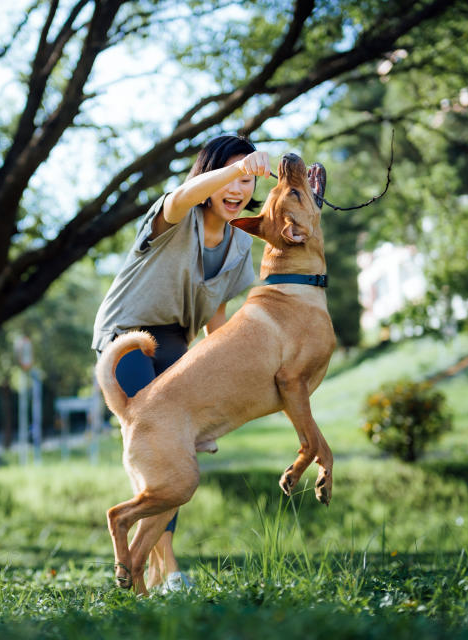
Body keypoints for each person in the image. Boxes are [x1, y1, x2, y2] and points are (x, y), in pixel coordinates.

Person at [92, 134, 327, 591]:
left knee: (174, 464)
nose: (238, 190)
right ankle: (165, 570)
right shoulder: (175, 214)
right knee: (158, 443)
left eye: (246, 180)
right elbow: (184, 194)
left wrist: (237, 375)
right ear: (211, 176)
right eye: (231, 176)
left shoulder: (240, 242)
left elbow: (216, 318)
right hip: (127, 334)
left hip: (178, 342)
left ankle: (152, 571)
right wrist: (246, 165)